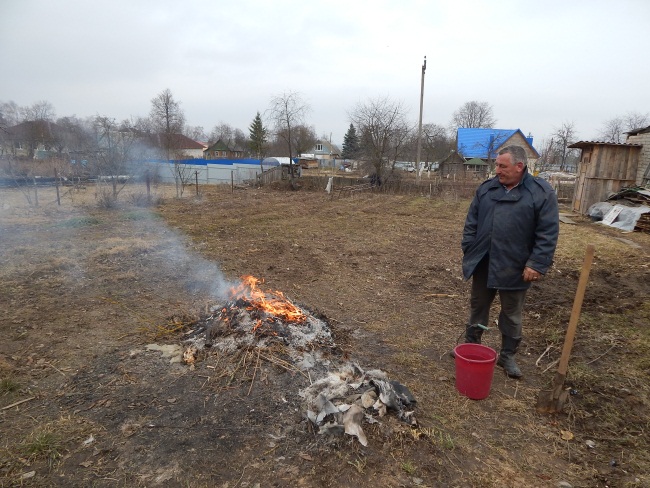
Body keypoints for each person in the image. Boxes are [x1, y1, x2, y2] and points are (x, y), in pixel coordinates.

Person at [459, 145, 559, 378]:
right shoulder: (487, 189)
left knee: (511, 313)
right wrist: (469, 247)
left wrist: (536, 263)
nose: (497, 170)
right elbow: (471, 221)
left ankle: (507, 355)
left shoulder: (540, 192)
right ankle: (472, 345)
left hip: (516, 265)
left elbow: (548, 232)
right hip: (484, 260)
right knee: (478, 306)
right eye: (497, 165)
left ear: (519, 166)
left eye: (502, 166)